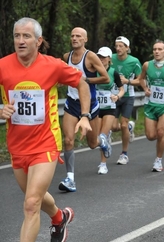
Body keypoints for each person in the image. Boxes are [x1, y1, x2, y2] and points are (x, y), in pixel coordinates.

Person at [0, 17, 92, 242]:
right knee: (36, 197)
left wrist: (84, 116)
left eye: (26, 36)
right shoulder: (3, 66)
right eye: (17, 36)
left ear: (38, 41)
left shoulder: (53, 66)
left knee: (31, 203)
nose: (20, 40)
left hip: (45, 145)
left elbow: (82, 83)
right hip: (17, 146)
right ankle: (59, 216)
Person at [59, 27, 111, 192]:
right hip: (71, 103)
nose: (75, 38)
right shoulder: (66, 57)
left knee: (92, 143)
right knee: (68, 140)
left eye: (78, 36)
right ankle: (70, 179)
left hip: (90, 105)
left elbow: (106, 78)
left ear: (85, 39)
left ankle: (102, 141)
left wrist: (85, 80)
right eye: (72, 35)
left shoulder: (90, 57)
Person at [139, 40, 164, 172]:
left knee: (160, 132)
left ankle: (158, 160)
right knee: (151, 136)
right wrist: (145, 88)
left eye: (160, 49)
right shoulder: (147, 65)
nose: (156, 51)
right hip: (150, 103)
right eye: (155, 49)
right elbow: (141, 78)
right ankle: (163, 136)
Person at [111, 36, 142, 165]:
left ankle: (124, 154)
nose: (118, 48)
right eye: (116, 46)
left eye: (121, 46)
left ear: (127, 48)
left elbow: (140, 80)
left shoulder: (134, 61)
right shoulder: (111, 58)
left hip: (128, 96)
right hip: (114, 96)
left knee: (123, 124)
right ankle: (130, 127)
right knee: (112, 127)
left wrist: (127, 81)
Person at [95, 47, 125, 174]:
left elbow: (122, 89)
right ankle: (106, 143)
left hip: (110, 108)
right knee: (97, 138)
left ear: (109, 59)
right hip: (96, 108)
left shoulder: (114, 73)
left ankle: (103, 164)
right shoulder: (93, 71)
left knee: (103, 135)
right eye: (99, 57)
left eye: (103, 57)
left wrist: (117, 96)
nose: (101, 59)